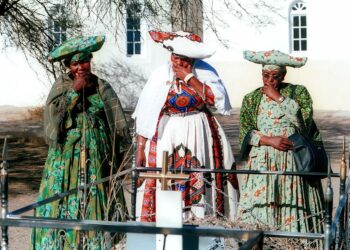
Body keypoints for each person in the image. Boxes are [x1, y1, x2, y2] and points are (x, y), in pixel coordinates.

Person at [31, 35, 130, 249]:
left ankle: (97, 242)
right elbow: (52, 120)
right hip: (66, 159)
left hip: (98, 159)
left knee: (97, 196)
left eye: (84, 61)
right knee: (66, 196)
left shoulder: (102, 87)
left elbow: (117, 122)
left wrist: (119, 153)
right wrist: (73, 92)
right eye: (75, 63)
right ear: (69, 66)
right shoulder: (61, 86)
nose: (81, 67)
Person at [133, 30, 239, 223]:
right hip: (167, 132)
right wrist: (140, 148)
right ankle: (167, 223)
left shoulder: (205, 72)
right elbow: (145, 113)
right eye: (175, 58)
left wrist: (189, 77)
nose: (178, 63)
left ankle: (200, 220)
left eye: (183, 59)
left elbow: (217, 101)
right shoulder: (160, 74)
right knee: (166, 179)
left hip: (198, 129)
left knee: (198, 175)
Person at [238, 50, 324, 235]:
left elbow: (304, 125)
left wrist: (278, 97)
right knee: (263, 206)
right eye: (265, 75)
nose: (269, 80)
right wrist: (268, 140)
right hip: (263, 160)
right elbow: (245, 132)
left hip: (292, 160)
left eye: (275, 76)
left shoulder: (298, 92)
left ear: (283, 75)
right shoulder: (251, 98)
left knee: (291, 204)